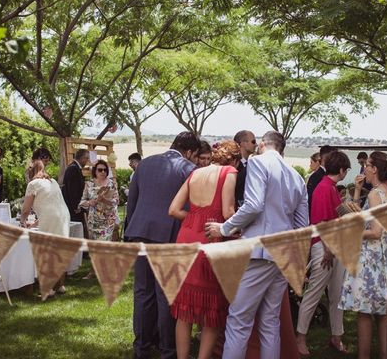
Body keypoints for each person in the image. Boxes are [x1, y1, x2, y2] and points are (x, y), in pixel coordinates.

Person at [204, 131, 309, 359]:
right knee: (270, 322)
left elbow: (253, 205)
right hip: (284, 254)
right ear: (282, 149)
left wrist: (224, 228)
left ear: (262, 144)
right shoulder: (297, 177)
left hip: (260, 251)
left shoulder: (257, 162)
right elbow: (303, 226)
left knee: (239, 320)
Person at [125, 131, 201, 359]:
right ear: (189, 152)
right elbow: (190, 208)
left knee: (142, 292)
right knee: (166, 294)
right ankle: (168, 349)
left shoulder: (145, 164)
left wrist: (131, 230)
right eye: (195, 155)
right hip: (168, 237)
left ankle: (141, 347)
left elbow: (132, 202)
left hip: (140, 232)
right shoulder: (188, 169)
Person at [168, 140, 240, 359]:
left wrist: (194, 219)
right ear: (234, 159)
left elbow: (173, 210)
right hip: (211, 240)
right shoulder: (229, 171)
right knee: (212, 310)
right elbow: (228, 212)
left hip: (186, 239)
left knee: (184, 310)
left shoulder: (195, 173)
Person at [340, 151, 387, 359]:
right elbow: (360, 216)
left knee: (364, 312)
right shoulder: (386, 191)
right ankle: (384, 354)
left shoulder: (374, 194)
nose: (364, 168)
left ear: (374, 169)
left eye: (367, 165)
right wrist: (356, 191)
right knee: (382, 312)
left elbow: (375, 231)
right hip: (383, 255)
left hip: (370, 257)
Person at [296, 150, 351, 356]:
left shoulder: (333, 188)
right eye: (346, 169)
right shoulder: (323, 188)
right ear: (342, 170)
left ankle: (336, 337)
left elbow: (338, 215)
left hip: (335, 247)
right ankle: (300, 338)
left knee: (337, 295)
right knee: (313, 294)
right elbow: (319, 222)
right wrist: (328, 249)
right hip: (325, 248)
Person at [20, 159, 70, 296]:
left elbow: (25, 209)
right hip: (63, 216)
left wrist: (22, 221)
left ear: (30, 172)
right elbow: (50, 205)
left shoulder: (33, 184)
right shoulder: (52, 181)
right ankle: (60, 285)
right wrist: (35, 223)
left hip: (51, 217)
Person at [78, 159, 119, 241]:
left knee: (105, 244)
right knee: (95, 246)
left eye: (105, 170)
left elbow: (117, 201)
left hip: (108, 220)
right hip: (94, 221)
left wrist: (105, 200)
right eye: (100, 170)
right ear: (95, 171)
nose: (103, 172)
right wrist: (90, 202)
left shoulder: (111, 184)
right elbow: (81, 202)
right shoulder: (89, 184)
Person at [61, 149, 90, 224]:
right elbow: (73, 190)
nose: (87, 161)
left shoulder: (74, 167)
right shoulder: (73, 168)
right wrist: (76, 206)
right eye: (87, 158)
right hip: (73, 209)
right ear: (82, 158)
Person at [306, 145, 335, 211]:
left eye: (311, 162)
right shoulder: (316, 176)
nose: (310, 165)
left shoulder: (320, 175)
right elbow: (309, 197)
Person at [233, 130, 256, 208]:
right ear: (243, 143)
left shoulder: (252, 163)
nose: (256, 145)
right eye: (253, 142)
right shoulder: (232, 163)